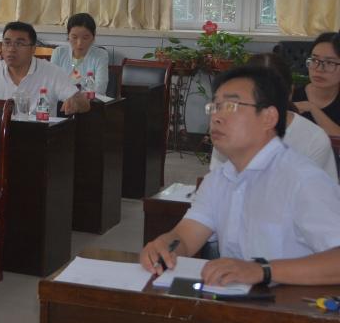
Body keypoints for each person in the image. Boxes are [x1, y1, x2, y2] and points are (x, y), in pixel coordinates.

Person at [141, 66, 340, 287]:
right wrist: (165, 244)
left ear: (269, 117)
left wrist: (263, 270)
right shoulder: (219, 179)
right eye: (214, 106)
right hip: (237, 300)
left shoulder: (303, 180)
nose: (216, 117)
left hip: (294, 303)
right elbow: (186, 237)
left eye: (230, 106)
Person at [210, 53, 337, 182]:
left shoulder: (313, 140)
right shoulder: (227, 130)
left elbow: (320, 192)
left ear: (290, 92)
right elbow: (216, 184)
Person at [0, 21, 91, 114]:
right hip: (2, 133)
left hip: (39, 135)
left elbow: (84, 104)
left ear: (33, 49)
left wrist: (75, 102)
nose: (11, 49)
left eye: (19, 43)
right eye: (7, 43)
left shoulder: (52, 72)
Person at [49, 12, 109, 95]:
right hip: (62, 100)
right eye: (74, 37)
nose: (79, 43)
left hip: (90, 101)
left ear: (93, 36)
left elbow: (100, 89)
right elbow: (51, 83)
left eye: (85, 38)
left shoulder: (100, 55)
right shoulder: (59, 53)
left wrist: (75, 96)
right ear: (68, 35)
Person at [293, 32, 340, 136]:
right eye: (314, 60)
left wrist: (312, 108)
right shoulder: (292, 96)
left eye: (330, 63)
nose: (319, 69)